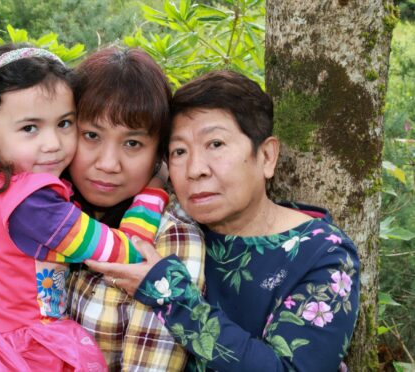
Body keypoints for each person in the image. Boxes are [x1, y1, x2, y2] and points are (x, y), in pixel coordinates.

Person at [0, 46, 206, 371]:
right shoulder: (29, 203)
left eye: (132, 143)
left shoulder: (173, 241)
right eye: (91, 135)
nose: (108, 164)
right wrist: (154, 190)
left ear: (159, 150)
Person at [87, 70, 360, 371]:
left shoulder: (322, 254)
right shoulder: (169, 229)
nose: (195, 169)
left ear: (267, 156)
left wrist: (169, 295)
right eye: (179, 151)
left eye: (215, 144)